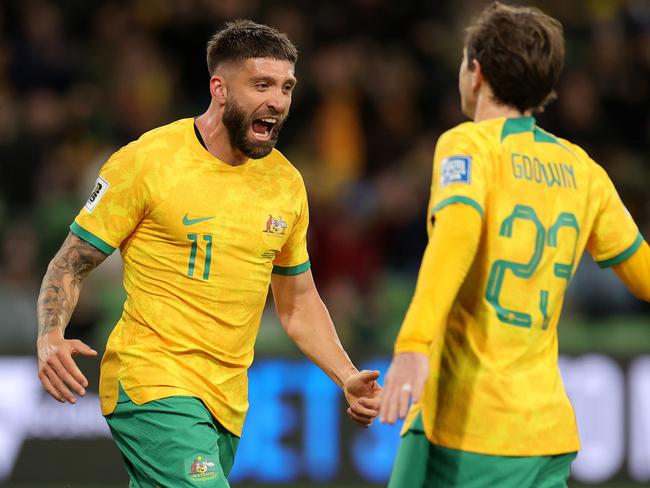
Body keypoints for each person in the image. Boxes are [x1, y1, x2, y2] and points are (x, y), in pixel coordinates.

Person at [36, 20, 381, 487]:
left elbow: (297, 303)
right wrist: (51, 332)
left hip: (226, 401)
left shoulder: (286, 184)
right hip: (152, 382)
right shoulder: (147, 161)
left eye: (286, 87)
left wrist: (346, 376)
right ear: (219, 87)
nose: (277, 102)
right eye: (261, 85)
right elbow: (71, 261)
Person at [378, 3, 650, 487]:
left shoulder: (470, 145)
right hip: (544, 431)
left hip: (474, 427)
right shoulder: (583, 170)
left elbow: (456, 235)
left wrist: (412, 344)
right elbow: (645, 275)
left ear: (476, 72)